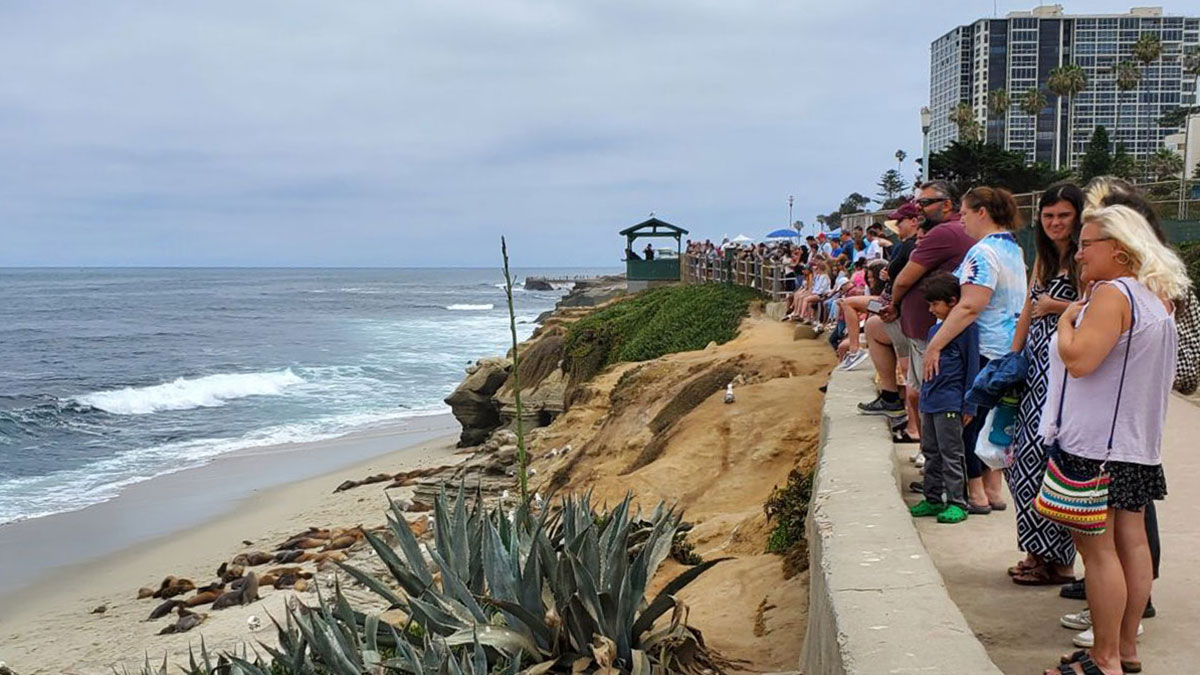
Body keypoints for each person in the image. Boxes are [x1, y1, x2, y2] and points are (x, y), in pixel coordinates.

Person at [1038, 204, 1187, 675]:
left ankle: (1103, 659)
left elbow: (1080, 361)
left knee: (1097, 552)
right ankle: (1124, 650)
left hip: (1095, 446)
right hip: (1135, 444)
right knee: (1133, 543)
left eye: (1086, 245)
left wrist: (1064, 324)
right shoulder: (1156, 296)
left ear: (1119, 250)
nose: (1078, 255)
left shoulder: (1111, 295)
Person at [924, 186, 1027, 513]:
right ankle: (993, 490)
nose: (961, 219)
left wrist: (935, 345)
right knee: (994, 423)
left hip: (983, 349)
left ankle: (975, 494)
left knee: (968, 423)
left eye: (965, 212)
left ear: (981, 212)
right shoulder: (1013, 248)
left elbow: (970, 306)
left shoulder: (982, 253)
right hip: (1009, 348)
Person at [1007, 183, 1085, 586]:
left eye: (1063, 215)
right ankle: (1036, 551)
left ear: (1078, 216)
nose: (1055, 223)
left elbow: (1096, 305)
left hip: (1066, 374)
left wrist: (1057, 307)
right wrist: (1012, 355)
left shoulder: (1084, 258)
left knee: (1049, 464)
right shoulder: (1043, 256)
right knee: (1021, 464)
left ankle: (1058, 561)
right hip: (1034, 370)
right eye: (1049, 215)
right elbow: (1028, 308)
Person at [909, 273, 980, 524]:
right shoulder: (934, 330)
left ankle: (957, 502)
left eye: (934, 304)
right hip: (931, 401)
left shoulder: (967, 330)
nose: (931, 310)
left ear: (952, 302)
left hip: (950, 401)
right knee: (931, 451)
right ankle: (932, 499)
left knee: (951, 452)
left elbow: (972, 366)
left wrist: (969, 403)